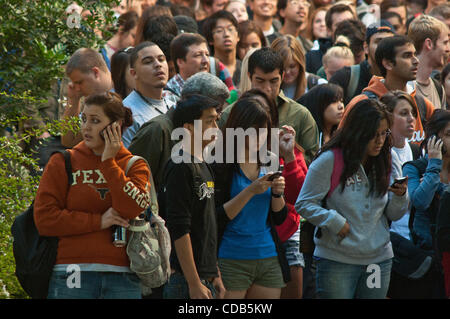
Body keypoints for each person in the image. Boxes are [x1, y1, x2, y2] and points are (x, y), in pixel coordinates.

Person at [34, 91, 150, 299]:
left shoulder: (135, 165)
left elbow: (133, 208)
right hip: (72, 270)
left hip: (124, 275)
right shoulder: (63, 162)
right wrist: (98, 221)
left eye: (95, 121)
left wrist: (109, 164)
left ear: (116, 125)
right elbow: (45, 219)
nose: (86, 127)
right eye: (84, 119)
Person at [295, 98, 409, 299]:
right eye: (373, 135)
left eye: (384, 133)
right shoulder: (330, 159)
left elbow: (394, 214)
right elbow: (303, 203)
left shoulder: (388, 159)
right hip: (337, 261)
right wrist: (333, 221)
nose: (380, 140)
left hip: (378, 260)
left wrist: (400, 196)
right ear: (358, 132)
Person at [213, 96, 288, 299]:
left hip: (267, 255)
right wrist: (249, 191)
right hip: (231, 256)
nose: (258, 137)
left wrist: (277, 193)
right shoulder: (221, 162)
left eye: (263, 130)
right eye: (252, 130)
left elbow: (279, 217)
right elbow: (216, 216)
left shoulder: (270, 160)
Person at [162, 95, 226, 299]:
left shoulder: (203, 164)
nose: (216, 126)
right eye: (209, 121)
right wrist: (193, 282)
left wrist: (214, 272)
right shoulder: (180, 166)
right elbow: (179, 228)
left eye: (216, 119)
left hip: (204, 277)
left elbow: (207, 222)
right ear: (188, 127)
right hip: (185, 281)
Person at [128, 72, 230, 193]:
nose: (217, 118)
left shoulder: (204, 132)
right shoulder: (157, 130)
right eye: (214, 111)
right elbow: (131, 180)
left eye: (219, 112)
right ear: (192, 101)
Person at [218, 47, 320, 165]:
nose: (267, 88)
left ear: (282, 77)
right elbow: (219, 161)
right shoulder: (230, 114)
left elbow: (314, 163)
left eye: (273, 81)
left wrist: (288, 154)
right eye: (260, 81)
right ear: (250, 76)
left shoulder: (301, 115)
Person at [342, 35, 435, 147]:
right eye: (407, 56)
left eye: (415, 54)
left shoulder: (422, 104)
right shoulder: (362, 103)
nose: (416, 61)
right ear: (388, 64)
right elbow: (345, 149)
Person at [402, 109, 450, 298]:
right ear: (434, 140)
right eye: (448, 135)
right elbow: (420, 201)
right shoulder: (414, 167)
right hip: (426, 254)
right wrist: (434, 165)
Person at [121, 42, 177, 148]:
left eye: (161, 59)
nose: (158, 64)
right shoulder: (127, 113)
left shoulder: (173, 103)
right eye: (148, 62)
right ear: (134, 73)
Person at [329, 22, 395, 105]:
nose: (385, 47)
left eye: (390, 43)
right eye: (379, 42)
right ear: (366, 47)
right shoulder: (346, 77)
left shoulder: (403, 79)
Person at [62, 48, 114, 148]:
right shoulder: (88, 99)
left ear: (95, 72)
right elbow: (69, 142)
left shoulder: (123, 91)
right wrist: (73, 100)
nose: (77, 89)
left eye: (80, 82)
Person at [408, 14, 449, 110]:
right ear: (429, 44)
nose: (448, 49)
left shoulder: (438, 88)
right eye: (445, 43)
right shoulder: (406, 88)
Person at [271, 35, 327, 100]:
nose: (287, 72)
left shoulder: (318, 85)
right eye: (282, 67)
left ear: (300, 64)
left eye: (292, 66)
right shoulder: (266, 88)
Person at [306, 3, 356, 74]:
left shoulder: (365, 53)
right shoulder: (312, 58)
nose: (346, 28)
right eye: (339, 25)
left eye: (349, 23)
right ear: (329, 30)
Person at [163, 33, 210, 100]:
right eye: (198, 55)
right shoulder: (169, 97)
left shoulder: (211, 89)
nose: (205, 61)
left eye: (207, 54)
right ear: (180, 62)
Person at [298, 83, 344, 148]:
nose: (341, 106)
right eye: (334, 101)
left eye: (341, 101)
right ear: (318, 105)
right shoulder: (305, 139)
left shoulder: (341, 136)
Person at [203, 10, 241, 86]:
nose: (226, 34)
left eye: (230, 29)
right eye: (219, 31)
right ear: (210, 39)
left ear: (238, 36)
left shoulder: (245, 67)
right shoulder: (206, 68)